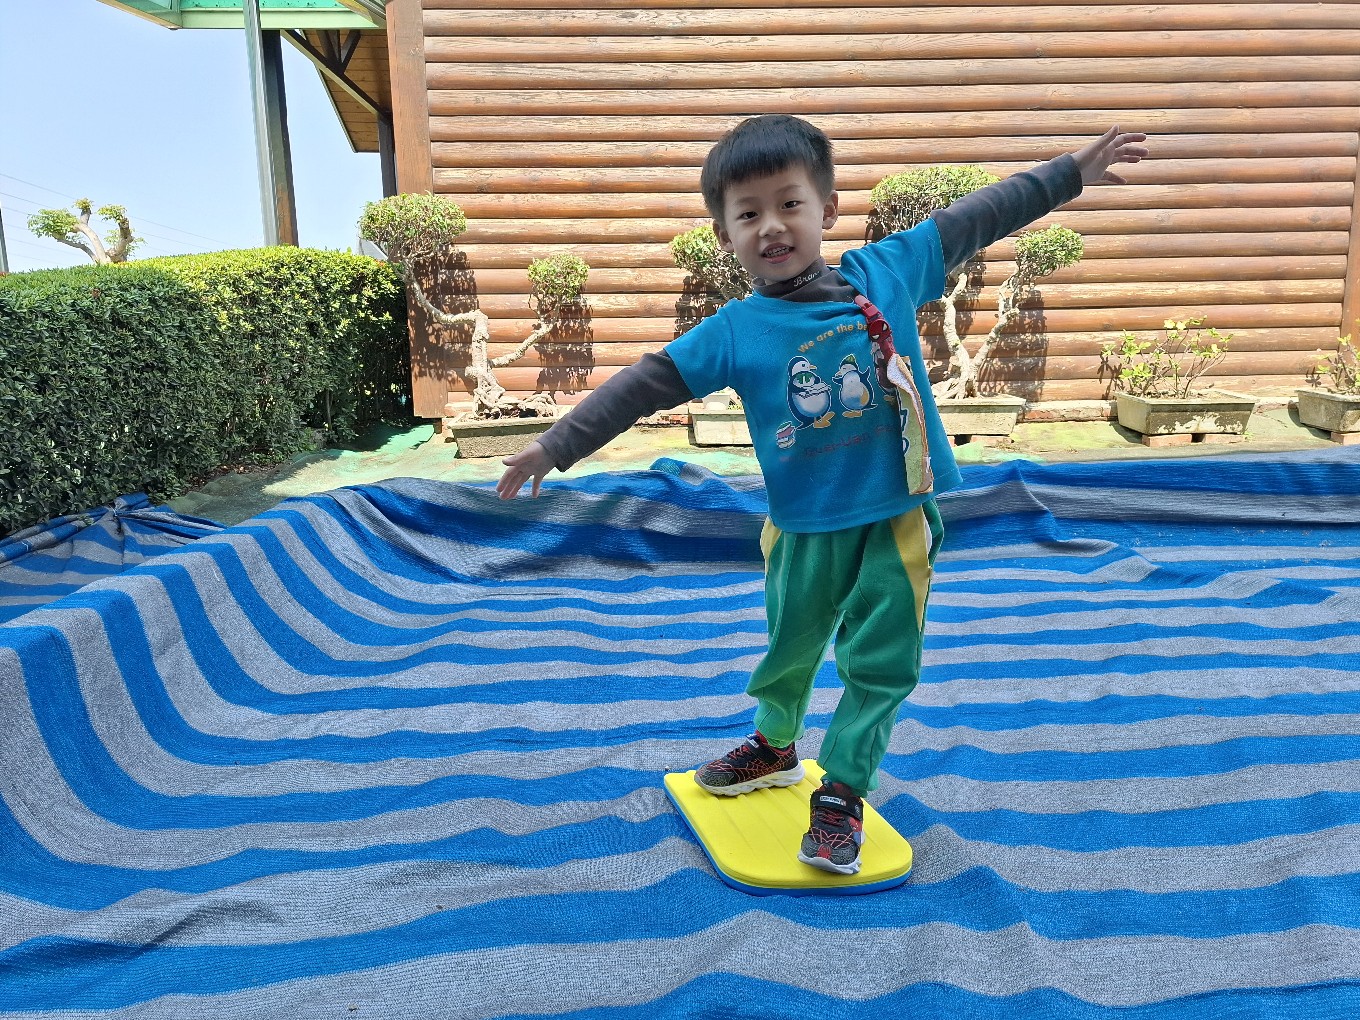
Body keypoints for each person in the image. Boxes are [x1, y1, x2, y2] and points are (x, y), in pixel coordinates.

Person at [497, 116, 1148, 875]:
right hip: (802, 528)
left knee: (881, 661)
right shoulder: (735, 330)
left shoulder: (888, 273)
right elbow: (644, 384)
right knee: (790, 646)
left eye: (789, 203)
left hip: (897, 519)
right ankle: (776, 744)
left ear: (827, 209)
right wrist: (556, 445)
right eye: (748, 213)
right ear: (725, 236)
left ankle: (842, 789)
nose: (772, 226)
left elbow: (978, 216)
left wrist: (1069, 173)